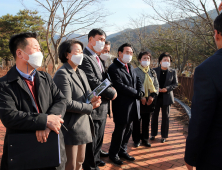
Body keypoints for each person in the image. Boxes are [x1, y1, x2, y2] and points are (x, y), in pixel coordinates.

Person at [0, 32, 67, 170]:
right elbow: (9, 116)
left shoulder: (45, 77)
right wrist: (44, 120)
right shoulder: (4, 84)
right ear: (20, 53)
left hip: (52, 147)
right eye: (36, 48)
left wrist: (49, 122)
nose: (40, 52)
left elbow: (60, 99)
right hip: (24, 153)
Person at [53, 39, 102, 170]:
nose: (81, 54)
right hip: (72, 127)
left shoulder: (81, 72)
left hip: (84, 124)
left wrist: (94, 98)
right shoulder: (62, 74)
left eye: (81, 51)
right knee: (71, 164)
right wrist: (90, 107)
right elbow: (66, 103)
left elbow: (87, 94)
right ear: (67, 55)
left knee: (80, 162)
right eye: (77, 52)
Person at [184, 13, 222, 170]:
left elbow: (200, 119)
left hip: (216, 156)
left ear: (216, 34)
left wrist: (190, 156)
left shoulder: (208, 69)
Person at [78, 28, 117, 170]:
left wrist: (111, 88)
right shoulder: (85, 57)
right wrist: (112, 93)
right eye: (100, 39)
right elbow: (93, 82)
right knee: (92, 141)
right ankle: (91, 166)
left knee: (98, 139)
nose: (102, 42)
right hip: (94, 107)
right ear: (90, 39)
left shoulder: (96, 57)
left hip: (102, 106)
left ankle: (95, 161)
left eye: (103, 39)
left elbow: (104, 79)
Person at [108, 43, 144, 165]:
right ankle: (113, 154)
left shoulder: (131, 66)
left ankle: (123, 151)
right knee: (120, 130)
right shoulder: (113, 68)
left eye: (131, 53)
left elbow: (138, 80)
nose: (129, 55)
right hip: (122, 105)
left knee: (129, 129)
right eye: (127, 52)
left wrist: (141, 91)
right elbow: (119, 86)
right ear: (120, 53)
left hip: (133, 105)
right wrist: (136, 93)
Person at [132, 52, 159, 148]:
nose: (146, 60)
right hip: (138, 99)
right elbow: (133, 86)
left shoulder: (152, 72)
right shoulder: (134, 71)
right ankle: (136, 139)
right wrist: (141, 97)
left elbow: (156, 85)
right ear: (139, 60)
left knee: (146, 121)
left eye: (148, 58)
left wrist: (152, 96)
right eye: (144, 58)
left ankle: (145, 139)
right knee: (137, 120)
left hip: (149, 100)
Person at [150, 52, 178, 143]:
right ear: (160, 61)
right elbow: (151, 82)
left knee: (166, 117)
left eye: (168, 60)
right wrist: (156, 89)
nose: (166, 62)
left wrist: (167, 89)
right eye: (164, 60)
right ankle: (153, 134)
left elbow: (175, 84)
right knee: (154, 116)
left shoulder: (173, 71)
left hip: (167, 97)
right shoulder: (154, 70)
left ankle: (164, 136)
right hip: (156, 97)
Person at [98, 40, 112, 158]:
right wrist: (111, 92)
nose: (106, 53)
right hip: (98, 102)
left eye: (108, 51)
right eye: (104, 51)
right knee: (96, 133)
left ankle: (99, 150)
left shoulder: (103, 63)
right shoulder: (94, 62)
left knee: (101, 131)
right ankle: (95, 156)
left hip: (105, 103)